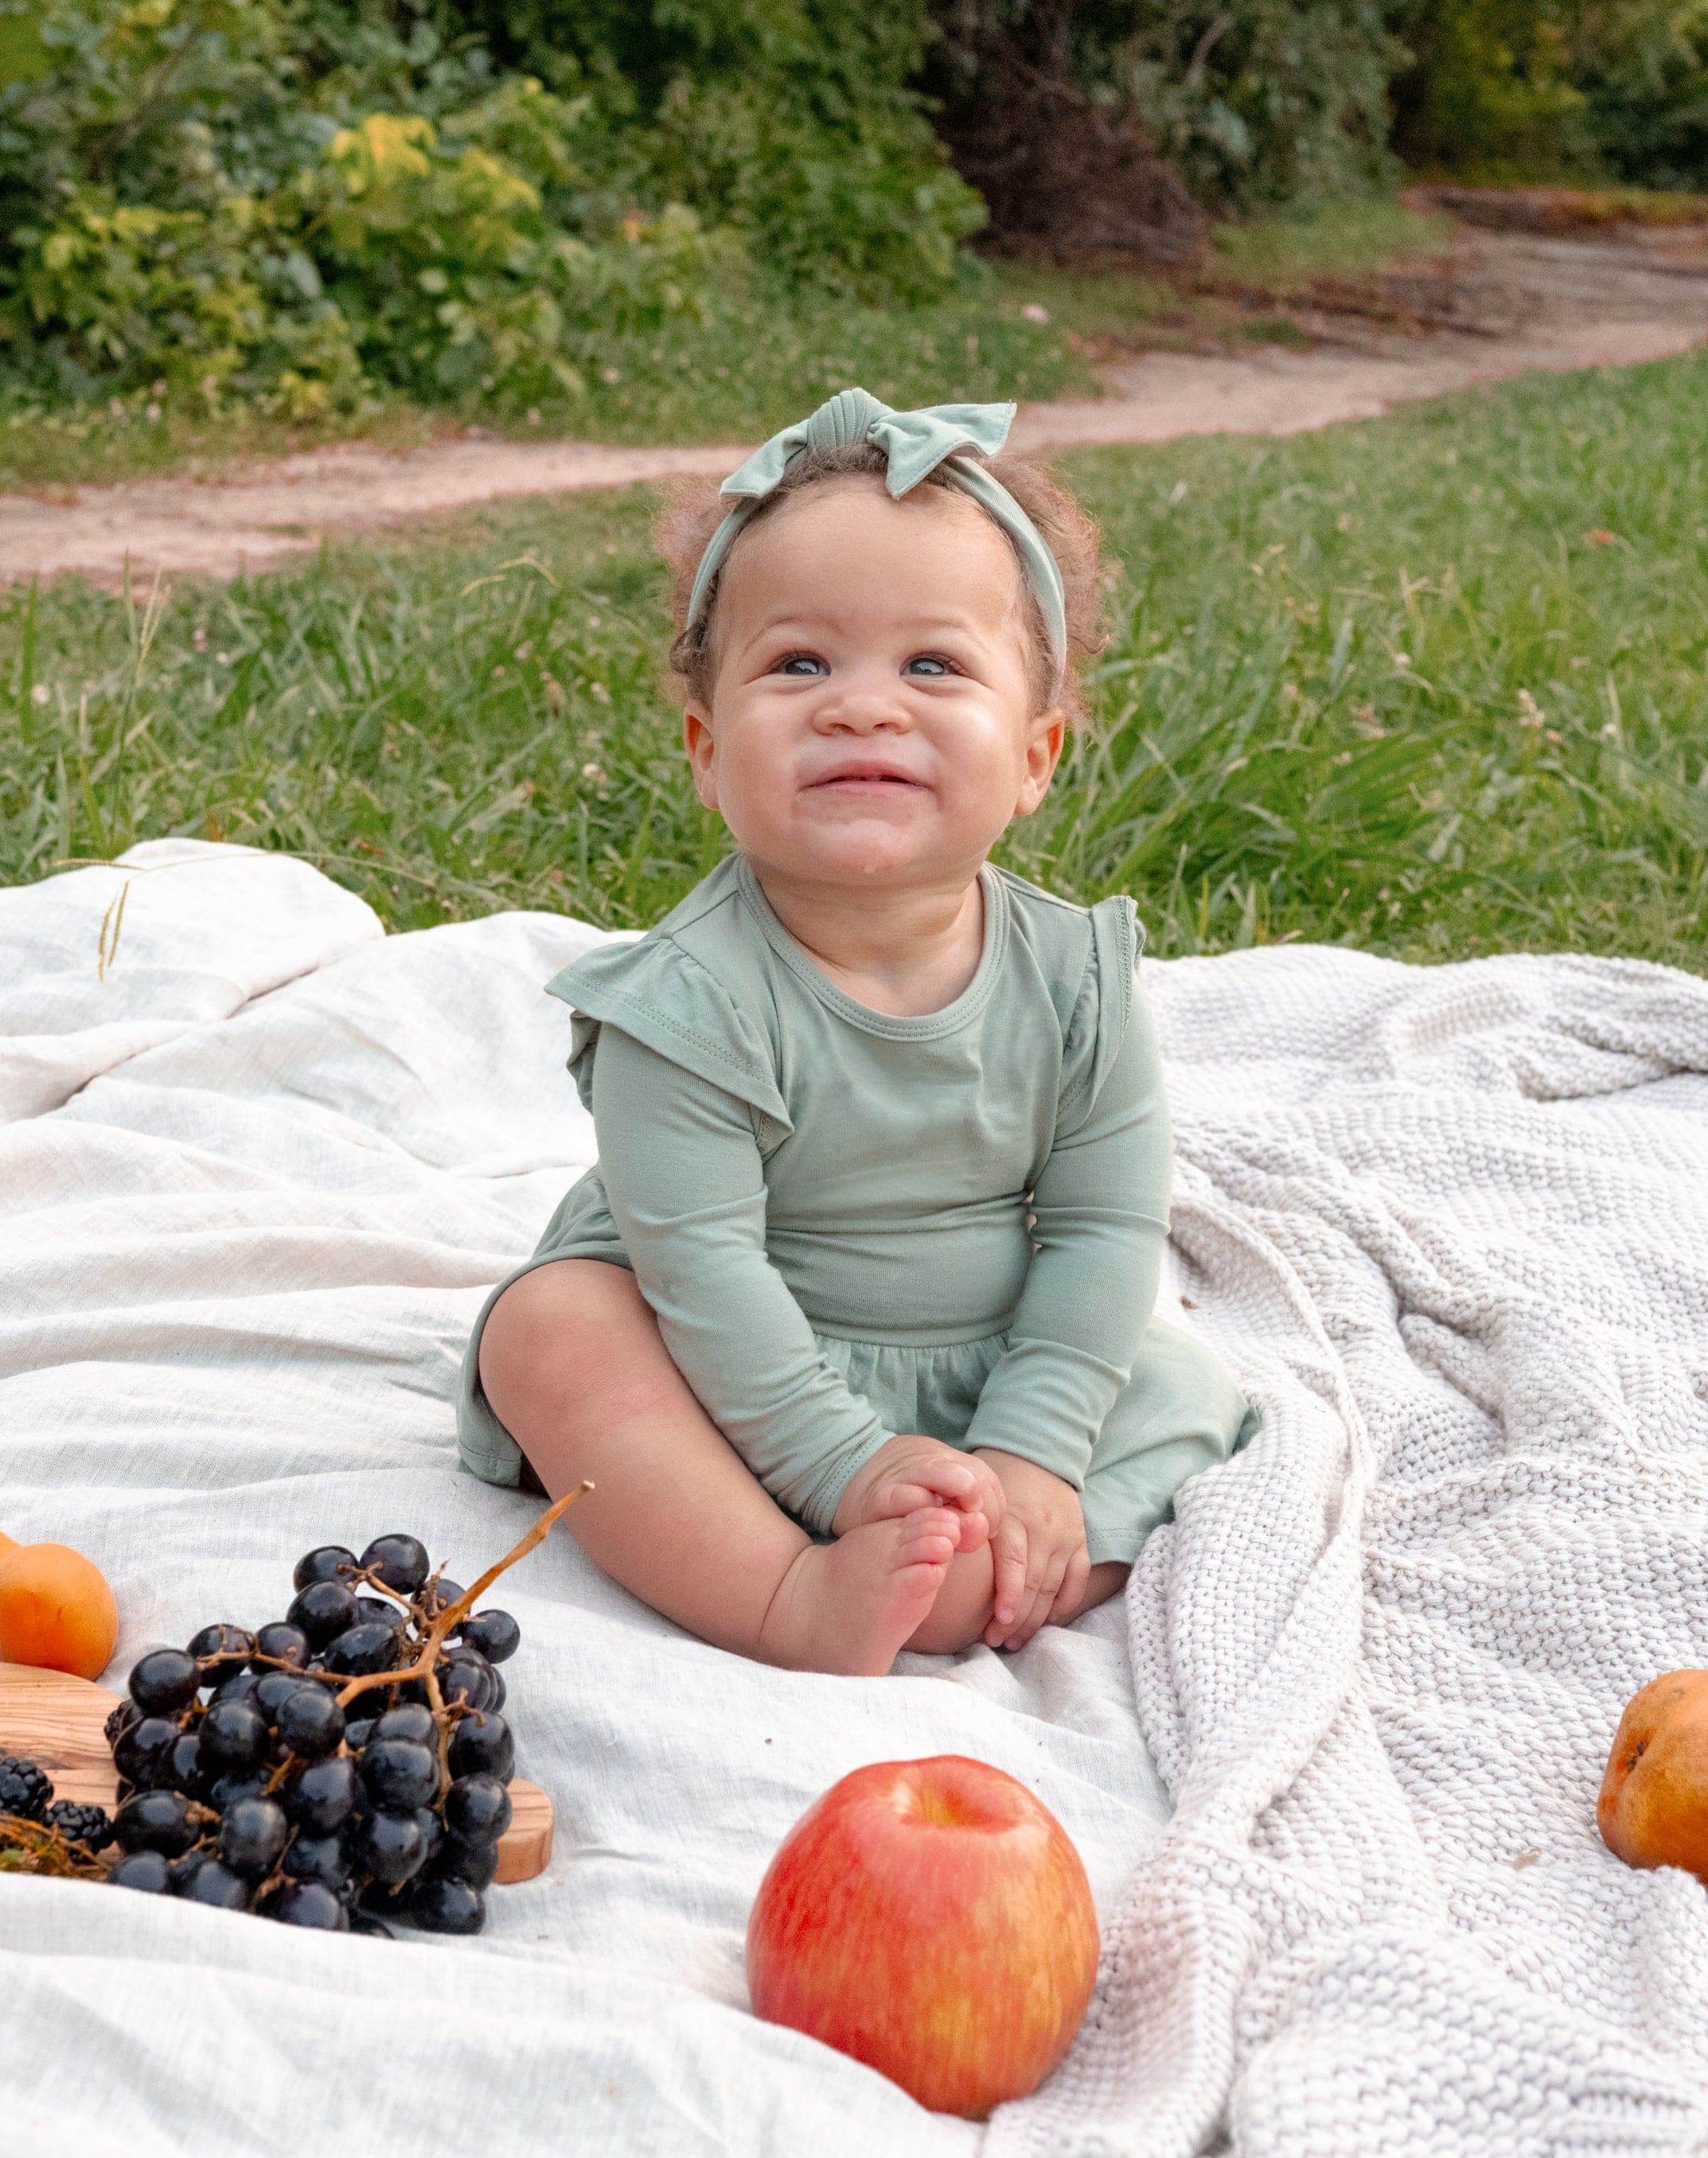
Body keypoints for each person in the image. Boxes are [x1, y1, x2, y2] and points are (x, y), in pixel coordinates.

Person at [458, 390, 1253, 1676]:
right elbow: (704, 1273)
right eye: (799, 664)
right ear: (709, 753)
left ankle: (1003, 1540)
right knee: (550, 1334)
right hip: (713, 1360)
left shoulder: (1078, 979)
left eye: (932, 665)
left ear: (1036, 755)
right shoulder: (684, 1005)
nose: (862, 707)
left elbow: (1107, 1227)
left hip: (978, 1356)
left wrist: (1032, 1451)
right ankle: (785, 1592)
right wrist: (845, 1470)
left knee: (1176, 1383)